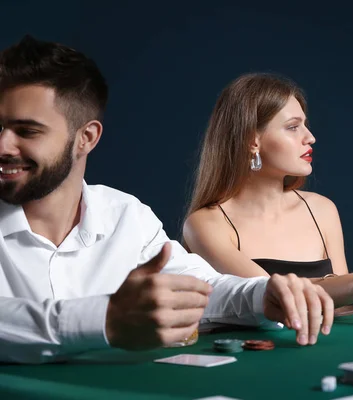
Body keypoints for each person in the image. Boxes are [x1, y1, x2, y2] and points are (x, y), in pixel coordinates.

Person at [0, 36, 334, 364]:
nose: (3, 146)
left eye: (27, 131)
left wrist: (263, 296)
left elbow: (202, 287)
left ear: (86, 138)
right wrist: (105, 320)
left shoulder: (125, 215)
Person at [183, 73, 353, 306]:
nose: (310, 137)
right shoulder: (205, 224)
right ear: (253, 140)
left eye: (305, 124)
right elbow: (274, 297)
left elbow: (345, 303)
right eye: (293, 127)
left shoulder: (321, 209)